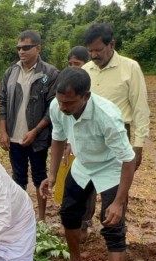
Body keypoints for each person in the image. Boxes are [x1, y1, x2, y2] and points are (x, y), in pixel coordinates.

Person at [40, 67, 136, 261]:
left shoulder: (107, 116)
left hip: (110, 168)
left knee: (112, 227)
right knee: (68, 214)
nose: (63, 107)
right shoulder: (57, 107)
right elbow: (58, 139)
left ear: (86, 96)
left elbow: (128, 160)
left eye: (69, 103)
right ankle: (75, 260)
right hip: (82, 165)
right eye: (60, 101)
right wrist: (52, 175)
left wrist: (118, 201)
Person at [0, 30, 58, 221]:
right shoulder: (11, 72)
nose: (21, 52)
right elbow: (3, 101)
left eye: (26, 48)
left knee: (40, 175)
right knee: (18, 178)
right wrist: (3, 131)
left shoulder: (49, 73)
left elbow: (53, 107)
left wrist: (36, 130)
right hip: (14, 136)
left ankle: (41, 218)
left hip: (38, 137)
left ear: (38, 48)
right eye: (19, 48)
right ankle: (21, 216)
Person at [83, 23, 150, 169]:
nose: (94, 55)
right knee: (83, 187)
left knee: (114, 189)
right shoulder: (85, 70)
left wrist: (138, 146)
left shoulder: (130, 68)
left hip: (117, 135)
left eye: (98, 50)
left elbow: (140, 107)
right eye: (90, 51)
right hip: (87, 135)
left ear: (112, 44)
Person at [61, 46, 94, 237]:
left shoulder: (87, 87)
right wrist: (68, 142)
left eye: (78, 64)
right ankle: (75, 221)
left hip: (96, 142)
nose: (74, 67)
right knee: (77, 182)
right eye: (70, 64)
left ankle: (86, 221)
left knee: (93, 184)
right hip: (76, 140)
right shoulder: (66, 86)